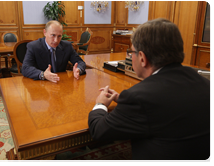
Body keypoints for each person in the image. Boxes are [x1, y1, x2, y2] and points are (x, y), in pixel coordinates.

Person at [88, 18, 212, 161]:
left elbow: (98, 131)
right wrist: (123, 99)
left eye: (131, 52)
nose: (130, 56)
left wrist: (100, 104)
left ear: (142, 58)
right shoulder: (206, 84)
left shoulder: (139, 98)